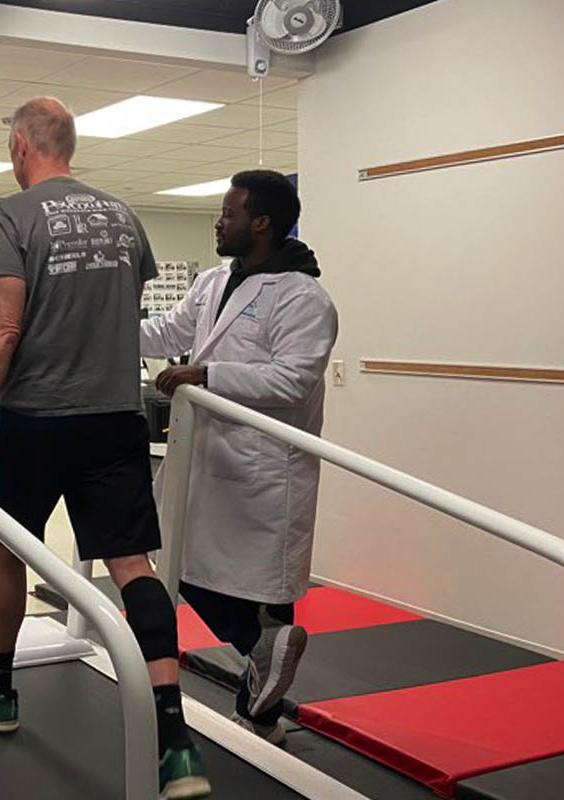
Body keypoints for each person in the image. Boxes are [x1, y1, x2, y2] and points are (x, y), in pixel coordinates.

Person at [0, 97, 210, 800]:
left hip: (37, 417)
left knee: (10, 549)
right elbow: (120, 312)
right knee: (133, 565)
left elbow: (3, 329)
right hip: (117, 415)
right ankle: (175, 740)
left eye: (9, 142)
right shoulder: (124, 216)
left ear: (23, 144)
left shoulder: (11, 215)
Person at [141, 170, 338, 745]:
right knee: (172, 554)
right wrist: (97, 329)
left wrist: (208, 374)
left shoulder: (304, 298)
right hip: (206, 456)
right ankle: (260, 659)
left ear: (261, 222)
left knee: (267, 591)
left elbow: (295, 379)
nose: (219, 221)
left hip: (264, 466)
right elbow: (167, 329)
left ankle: (260, 717)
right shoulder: (213, 281)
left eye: (229, 213)